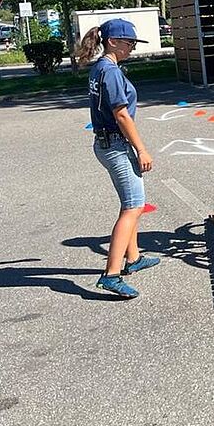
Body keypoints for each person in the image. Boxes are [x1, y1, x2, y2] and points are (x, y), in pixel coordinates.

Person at [76, 18, 160, 298]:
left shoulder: (101, 68)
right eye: (129, 43)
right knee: (133, 207)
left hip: (106, 143)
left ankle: (133, 258)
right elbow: (121, 114)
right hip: (116, 144)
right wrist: (142, 149)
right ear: (112, 42)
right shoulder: (109, 72)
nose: (133, 48)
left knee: (130, 203)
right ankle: (110, 275)